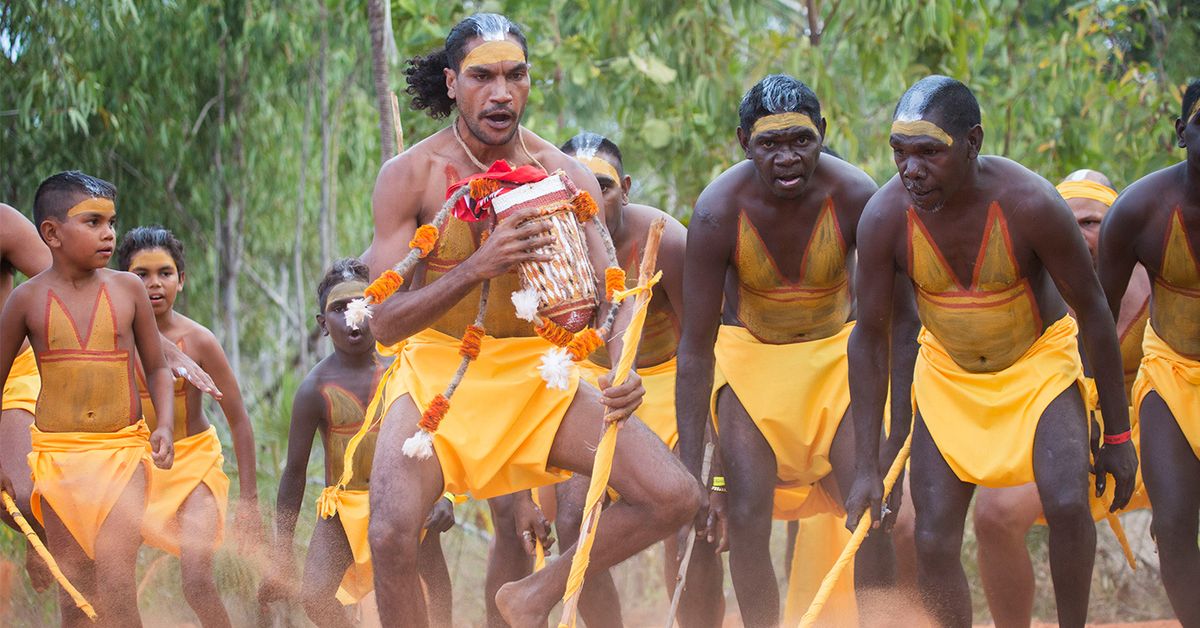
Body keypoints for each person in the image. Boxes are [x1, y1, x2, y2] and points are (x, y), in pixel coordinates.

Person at [362, 14, 700, 626]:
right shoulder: (409, 176)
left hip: (540, 376)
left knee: (674, 497)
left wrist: (619, 364)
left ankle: (533, 594)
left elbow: (612, 295)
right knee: (388, 533)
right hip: (440, 374)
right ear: (450, 82)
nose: (501, 92)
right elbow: (383, 324)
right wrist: (475, 267)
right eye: (482, 76)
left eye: (515, 76)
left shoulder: (563, 176)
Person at [846, 75, 1138, 627]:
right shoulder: (885, 218)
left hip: (1039, 370)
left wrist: (1117, 432)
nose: (911, 169)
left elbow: (1095, 312)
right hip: (947, 379)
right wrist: (867, 464)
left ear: (973, 142)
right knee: (931, 539)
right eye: (900, 153)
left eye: (929, 152)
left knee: (1071, 507)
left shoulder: (1030, 202)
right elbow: (869, 340)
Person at [676, 74, 914, 627]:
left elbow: (897, 324)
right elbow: (695, 349)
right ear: (743, 141)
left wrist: (895, 442)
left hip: (838, 365)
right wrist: (695, 473)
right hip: (752, 369)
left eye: (801, 141)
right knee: (746, 519)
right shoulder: (717, 210)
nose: (787, 157)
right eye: (769, 144)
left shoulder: (857, 196)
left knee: (869, 516)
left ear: (823, 133)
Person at [554, 132, 723, 627]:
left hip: (671, 383)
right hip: (593, 385)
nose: (586, 198)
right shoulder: (548, 245)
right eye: (571, 187)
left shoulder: (665, 238)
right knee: (571, 521)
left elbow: (705, 343)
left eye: (600, 185)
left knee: (690, 522)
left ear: (624, 188)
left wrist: (708, 439)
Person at [969, 169, 1151, 627]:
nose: (1078, 233)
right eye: (1068, 222)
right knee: (994, 514)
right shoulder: (1026, 287)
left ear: (1118, 227)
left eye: (1091, 221)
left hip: (1149, 432)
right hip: (1060, 434)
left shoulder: (1159, 276)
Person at [0, 170, 176, 626]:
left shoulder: (128, 290)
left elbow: (156, 366)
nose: (109, 234)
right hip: (58, 463)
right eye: (93, 222)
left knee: (117, 584)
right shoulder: (25, 300)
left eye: (111, 222)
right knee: (75, 592)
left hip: (121, 455)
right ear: (52, 234)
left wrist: (165, 425)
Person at [261, 258, 455, 627]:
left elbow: (442, 439)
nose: (353, 317)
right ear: (322, 324)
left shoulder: (405, 371)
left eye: (362, 304)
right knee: (315, 594)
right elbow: (294, 475)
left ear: (377, 310)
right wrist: (281, 551)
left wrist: (447, 497)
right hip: (343, 506)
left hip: (408, 496)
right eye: (339, 309)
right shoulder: (314, 390)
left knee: (433, 587)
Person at [115, 225, 259, 627]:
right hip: (134, 466)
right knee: (113, 579)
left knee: (196, 581)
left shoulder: (199, 341)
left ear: (182, 279)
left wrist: (249, 503)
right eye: (141, 274)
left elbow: (239, 421)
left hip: (194, 465)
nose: (154, 283)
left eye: (164, 272)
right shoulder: (113, 338)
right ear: (124, 281)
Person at [1097, 79, 1200, 626]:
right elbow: (1097, 320)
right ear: (1182, 132)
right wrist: (1102, 418)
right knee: (1176, 522)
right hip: (1171, 376)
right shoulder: (1140, 210)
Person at [0, 202, 53, 588]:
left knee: (17, 496)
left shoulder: (3, 223)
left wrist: (154, 342)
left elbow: (67, 279)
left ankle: (53, 536)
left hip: (14, 372)